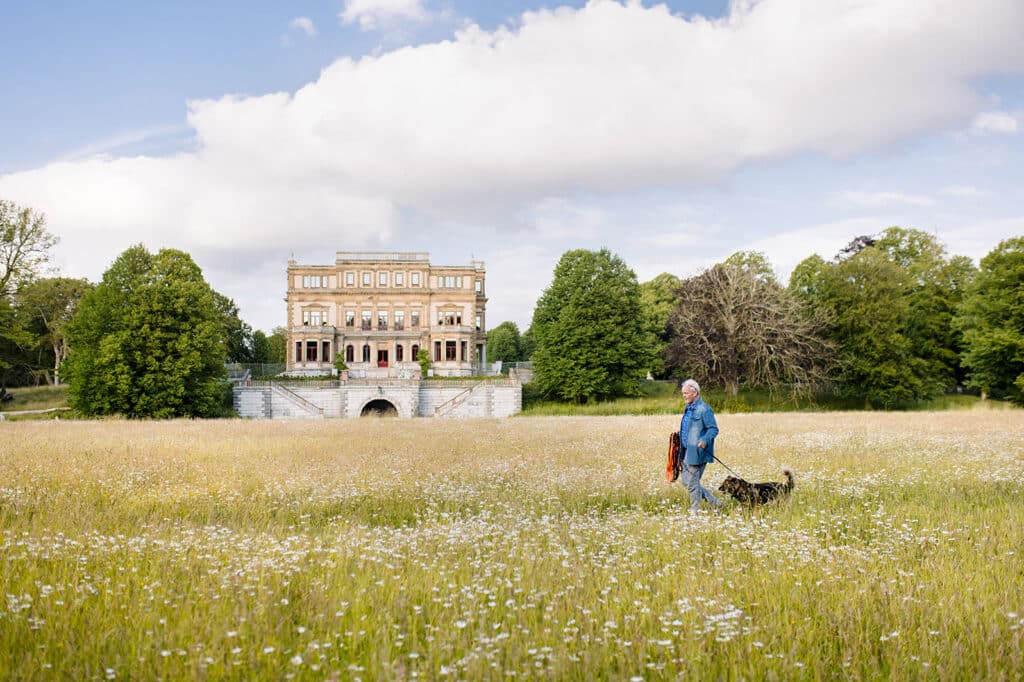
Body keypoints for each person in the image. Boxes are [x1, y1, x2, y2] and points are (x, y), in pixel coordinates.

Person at [678, 379, 722, 514]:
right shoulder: (688, 408)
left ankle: (694, 512)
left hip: (697, 452)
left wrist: (704, 440)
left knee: (692, 484)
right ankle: (716, 503)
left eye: (686, 393)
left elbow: (713, 429)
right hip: (685, 451)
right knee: (687, 482)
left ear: (695, 393)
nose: (684, 396)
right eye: (683, 393)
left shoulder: (704, 409)